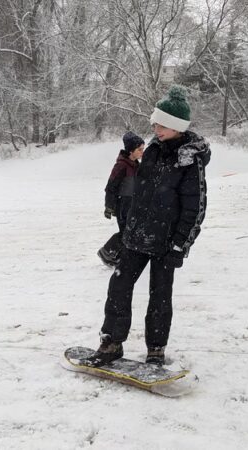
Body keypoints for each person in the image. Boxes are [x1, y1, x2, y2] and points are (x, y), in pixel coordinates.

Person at [83, 85, 211, 367]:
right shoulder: (151, 150)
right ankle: (111, 342)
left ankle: (156, 349)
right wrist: (128, 227)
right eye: (156, 121)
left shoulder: (189, 160)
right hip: (136, 237)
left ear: (178, 126)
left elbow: (195, 208)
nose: (156, 127)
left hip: (166, 243)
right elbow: (140, 194)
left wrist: (180, 245)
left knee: (160, 296)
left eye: (163, 123)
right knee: (118, 285)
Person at [97, 131, 145, 267]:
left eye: (143, 149)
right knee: (126, 232)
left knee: (131, 231)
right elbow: (111, 186)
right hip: (123, 204)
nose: (142, 152)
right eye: (139, 149)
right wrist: (109, 206)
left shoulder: (136, 165)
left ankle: (117, 256)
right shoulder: (121, 165)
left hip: (133, 204)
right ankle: (106, 253)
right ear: (131, 150)